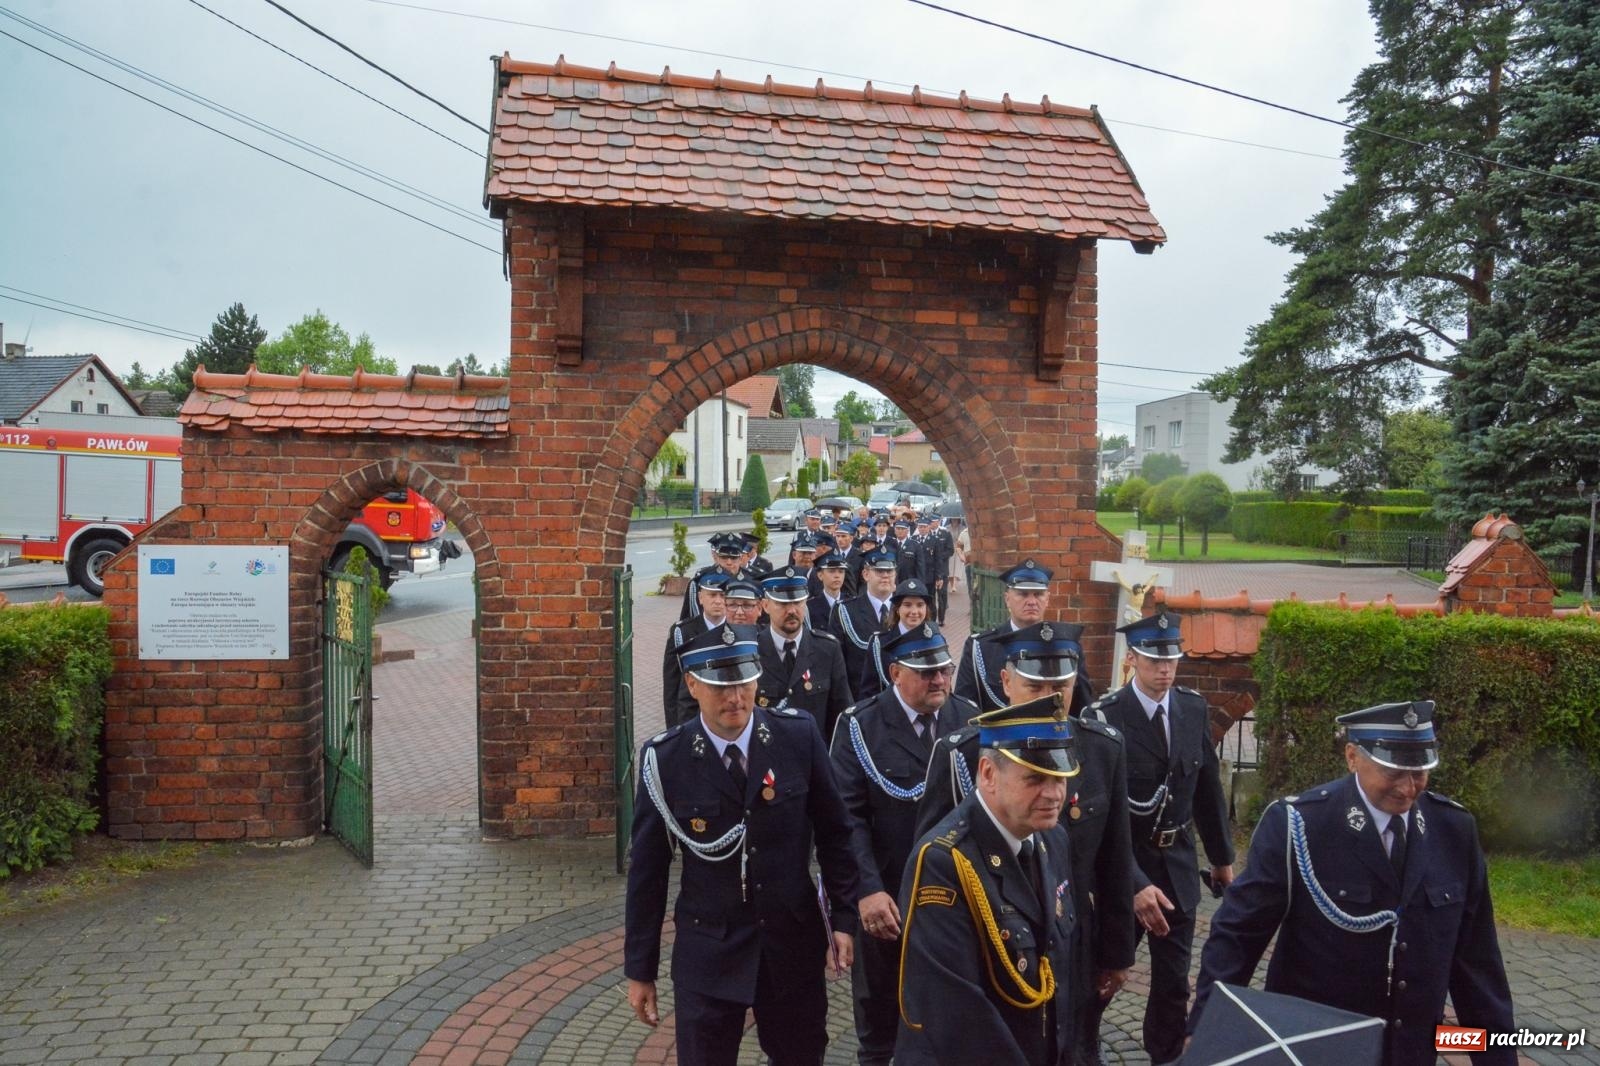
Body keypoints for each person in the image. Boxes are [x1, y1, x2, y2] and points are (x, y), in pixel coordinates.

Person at [1189, 700, 1515, 1066]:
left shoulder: (1454, 830)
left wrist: (1498, 1059)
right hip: (1316, 1049)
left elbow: (1477, 965)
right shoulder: (1300, 825)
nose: (1408, 788)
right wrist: (1203, 1030)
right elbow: (1237, 937)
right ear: (1352, 757)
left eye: (1420, 772)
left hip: (1410, 1053)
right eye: (1393, 772)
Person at [625, 624, 862, 1066]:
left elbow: (835, 833)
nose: (736, 696)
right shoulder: (666, 759)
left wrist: (844, 918)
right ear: (693, 684)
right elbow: (647, 873)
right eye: (720, 685)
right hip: (708, 951)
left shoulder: (798, 736)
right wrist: (640, 969)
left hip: (790, 945)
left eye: (744, 681)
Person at [915, 622, 1135, 1066]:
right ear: (1007, 681)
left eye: (1061, 684)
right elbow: (931, 851)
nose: (1050, 697)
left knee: (1072, 1041)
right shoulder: (967, 750)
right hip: (991, 944)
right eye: (1036, 684)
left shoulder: (1102, 748)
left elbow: (1115, 858)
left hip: (1068, 935)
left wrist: (1117, 951)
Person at [895, 694, 1080, 1065]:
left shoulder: (1051, 838)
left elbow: (1059, 969)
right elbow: (957, 1014)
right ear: (989, 774)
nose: (1054, 793)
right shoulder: (945, 863)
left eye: (1060, 777)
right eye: (1035, 778)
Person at [1081, 612, 1232, 1066]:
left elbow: (1206, 787)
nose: (1165, 669)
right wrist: (1131, 884)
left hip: (1179, 865)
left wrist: (1223, 857)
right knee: (1106, 973)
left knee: (1173, 982)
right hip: (1122, 870)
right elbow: (1096, 819)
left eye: (1171, 660)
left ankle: (1165, 1055)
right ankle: (1079, 1047)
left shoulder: (1191, 709)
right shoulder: (1105, 719)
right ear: (1132, 660)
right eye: (1153, 660)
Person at [829, 623, 975, 1066]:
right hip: (885, 898)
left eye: (945, 671)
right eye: (926, 673)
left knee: (952, 1013)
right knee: (880, 1017)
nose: (939, 681)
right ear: (895, 672)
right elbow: (845, 820)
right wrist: (867, 891)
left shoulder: (967, 719)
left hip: (954, 898)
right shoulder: (861, 725)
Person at [955, 560, 1096, 715]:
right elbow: (963, 709)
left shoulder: (1067, 646)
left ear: (1047, 599)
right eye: (1022, 594)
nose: (1031, 602)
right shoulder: (981, 647)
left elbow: (1083, 706)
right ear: (1007, 598)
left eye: (1038, 594)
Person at [756, 568, 854, 741]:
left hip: (814, 757)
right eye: (783, 604)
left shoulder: (827, 649)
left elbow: (841, 714)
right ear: (765, 606)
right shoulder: (753, 651)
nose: (792, 610)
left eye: (798, 603)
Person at [663, 571, 730, 726]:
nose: (718, 601)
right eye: (712, 595)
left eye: (722, 595)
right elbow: (671, 687)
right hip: (692, 721)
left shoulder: (738, 632)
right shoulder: (682, 633)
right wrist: (674, 731)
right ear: (701, 598)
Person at [832, 549, 899, 691]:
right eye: (879, 571)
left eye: (890, 571)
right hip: (860, 699)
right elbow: (837, 665)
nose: (885, 576)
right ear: (866, 574)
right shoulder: (845, 610)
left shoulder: (905, 611)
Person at [857, 578, 933, 701]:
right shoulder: (879, 643)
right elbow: (868, 691)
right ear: (897, 609)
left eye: (920, 605)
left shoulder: (934, 641)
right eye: (907, 605)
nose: (914, 611)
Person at [681, 532, 749, 619]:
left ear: (740, 559)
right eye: (724, 557)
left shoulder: (750, 580)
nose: (729, 562)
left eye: (733, 558)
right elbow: (691, 616)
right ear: (716, 557)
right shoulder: (701, 580)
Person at [809, 552, 850, 634]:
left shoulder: (852, 603)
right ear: (820, 575)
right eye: (831, 571)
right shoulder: (810, 607)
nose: (837, 576)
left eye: (841, 571)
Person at [925, 517, 956, 624]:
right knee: (931, 595)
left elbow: (950, 550)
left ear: (938, 522)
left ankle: (941, 618)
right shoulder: (926, 535)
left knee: (942, 594)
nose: (932, 523)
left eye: (934, 521)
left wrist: (938, 556)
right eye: (931, 521)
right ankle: (932, 618)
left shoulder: (945, 534)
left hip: (942, 568)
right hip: (930, 571)